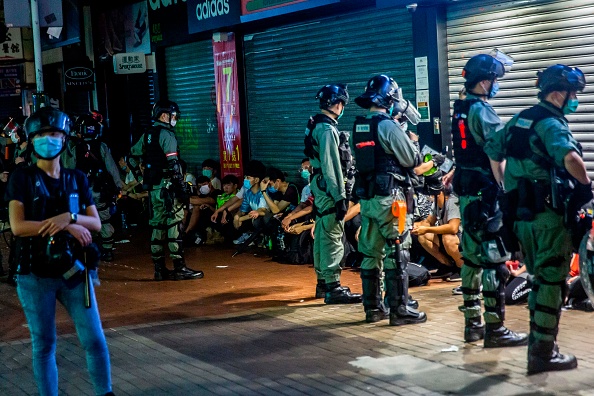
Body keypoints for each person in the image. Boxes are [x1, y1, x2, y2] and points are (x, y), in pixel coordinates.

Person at [486, 64, 591, 374]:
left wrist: (507, 187)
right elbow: (570, 158)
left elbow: (493, 151)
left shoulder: (521, 118)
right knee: (551, 281)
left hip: (521, 217)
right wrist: (586, 189)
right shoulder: (551, 123)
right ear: (558, 93)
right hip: (547, 218)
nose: (575, 99)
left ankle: (539, 345)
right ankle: (543, 353)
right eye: (573, 94)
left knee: (537, 278)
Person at [7, 107, 114, 396]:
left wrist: (71, 217)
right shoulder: (22, 178)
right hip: (34, 275)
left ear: (64, 138)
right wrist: (65, 225)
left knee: (94, 339)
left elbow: (95, 222)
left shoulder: (76, 178)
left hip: (76, 273)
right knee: (44, 344)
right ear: (31, 140)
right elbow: (18, 227)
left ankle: (105, 392)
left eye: (53, 133)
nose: (48, 140)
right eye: (41, 135)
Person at [451, 53, 527, 348]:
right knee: (494, 261)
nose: (496, 85)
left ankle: (472, 325)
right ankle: (495, 329)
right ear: (484, 82)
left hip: (469, 193)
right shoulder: (482, 111)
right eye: (494, 80)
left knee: (470, 260)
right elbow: (498, 155)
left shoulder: (461, 107)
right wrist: (510, 190)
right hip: (485, 195)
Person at [352, 75, 426, 324]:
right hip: (390, 200)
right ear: (390, 99)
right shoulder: (387, 125)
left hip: (368, 199)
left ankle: (372, 308)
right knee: (398, 251)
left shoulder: (360, 125)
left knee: (370, 254)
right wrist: (412, 142)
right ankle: (399, 309)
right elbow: (411, 161)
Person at [131, 100, 203, 281]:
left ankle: (159, 269)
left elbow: (131, 157)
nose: (175, 119)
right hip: (168, 189)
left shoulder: (147, 134)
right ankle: (180, 268)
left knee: (156, 227)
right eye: (173, 116)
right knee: (174, 226)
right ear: (164, 115)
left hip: (154, 190)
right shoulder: (167, 135)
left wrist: (141, 179)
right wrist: (182, 191)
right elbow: (174, 166)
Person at [305, 83, 361, 304]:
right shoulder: (327, 130)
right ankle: (333, 287)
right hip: (329, 188)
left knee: (323, 232)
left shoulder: (316, 124)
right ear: (338, 104)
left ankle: (323, 282)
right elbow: (332, 167)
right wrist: (340, 197)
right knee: (332, 234)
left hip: (319, 185)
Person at [71, 114, 124, 262]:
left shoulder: (74, 148)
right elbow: (112, 168)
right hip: (100, 190)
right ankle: (107, 251)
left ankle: (88, 250)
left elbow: (68, 169)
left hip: (80, 191)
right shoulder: (101, 146)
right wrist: (118, 186)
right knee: (104, 219)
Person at [412, 185, 463, 278]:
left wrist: (426, 229)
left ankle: (462, 268)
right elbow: (428, 222)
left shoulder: (452, 201)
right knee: (423, 236)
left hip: (461, 238)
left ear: (441, 193)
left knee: (448, 237)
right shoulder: (436, 203)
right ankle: (447, 265)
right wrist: (412, 226)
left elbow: (453, 228)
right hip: (446, 239)